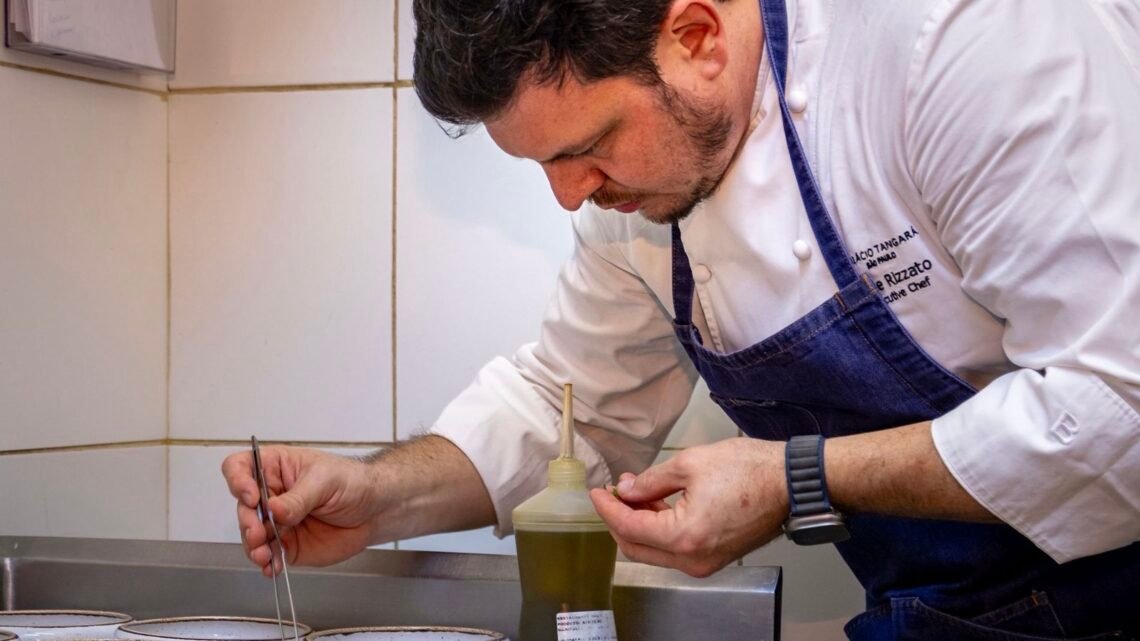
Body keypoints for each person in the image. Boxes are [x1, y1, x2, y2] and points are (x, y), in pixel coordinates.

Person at [223, 0, 1140, 638]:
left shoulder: (954, 42)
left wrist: (795, 478)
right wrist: (378, 495)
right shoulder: (640, 201)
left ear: (697, 35)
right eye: (543, 164)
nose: (572, 195)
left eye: (585, 149)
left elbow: (1120, 405)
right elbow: (568, 404)